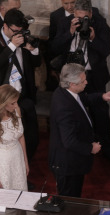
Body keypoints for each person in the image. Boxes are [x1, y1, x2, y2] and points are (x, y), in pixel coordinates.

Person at [51, 0, 110, 166]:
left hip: (93, 77)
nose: (80, 20)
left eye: (84, 17)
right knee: (70, 112)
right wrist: (69, 33)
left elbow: (106, 51)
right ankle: (75, 148)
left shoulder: (101, 25)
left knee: (101, 116)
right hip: (71, 78)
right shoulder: (64, 22)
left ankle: (108, 151)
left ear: (90, 14)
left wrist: (92, 38)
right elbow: (54, 47)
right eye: (77, 17)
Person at [49, 63, 110, 197]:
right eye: (83, 81)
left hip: (72, 161)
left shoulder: (65, 92)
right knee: (70, 201)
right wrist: (90, 148)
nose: (86, 82)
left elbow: (82, 99)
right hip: (67, 165)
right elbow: (69, 141)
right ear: (72, 84)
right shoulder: (63, 107)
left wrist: (102, 96)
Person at [0, 8, 40, 166]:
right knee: (9, 140)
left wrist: (34, 50)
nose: (18, 34)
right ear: (5, 26)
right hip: (3, 101)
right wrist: (11, 47)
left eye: (21, 31)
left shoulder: (23, 38)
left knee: (32, 138)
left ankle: (25, 167)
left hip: (24, 97)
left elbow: (36, 64)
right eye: (15, 31)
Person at [0, 84, 29, 191]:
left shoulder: (16, 110)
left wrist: (25, 160)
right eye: (12, 103)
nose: (16, 105)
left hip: (17, 156)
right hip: (3, 162)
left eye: (17, 101)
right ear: (3, 103)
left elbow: (21, 136)